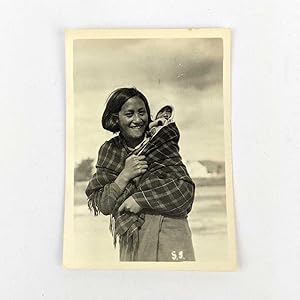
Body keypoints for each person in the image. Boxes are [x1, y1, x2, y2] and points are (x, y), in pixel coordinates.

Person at [86, 87, 195, 261]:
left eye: (142, 113)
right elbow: (102, 204)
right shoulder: (110, 150)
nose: (138, 120)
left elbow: (184, 192)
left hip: (170, 233)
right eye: (129, 114)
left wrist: (140, 200)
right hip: (132, 239)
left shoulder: (162, 143)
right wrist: (124, 175)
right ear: (116, 119)